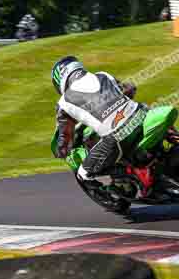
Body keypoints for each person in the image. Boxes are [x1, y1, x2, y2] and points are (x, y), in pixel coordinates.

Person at [51, 56, 144, 188]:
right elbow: (129, 89)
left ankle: (124, 178)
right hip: (140, 113)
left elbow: (65, 136)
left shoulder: (63, 103)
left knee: (83, 174)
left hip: (116, 136)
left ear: (60, 79)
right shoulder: (103, 75)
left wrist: (61, 151)